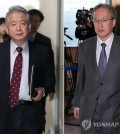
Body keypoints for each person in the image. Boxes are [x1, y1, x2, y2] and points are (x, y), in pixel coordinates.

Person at [0, 5, 54, 134]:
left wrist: (44, 89)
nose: (18, 28)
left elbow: (50, 77)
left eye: (22, 23)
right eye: (13, 24)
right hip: (4, 113)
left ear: (29, 27)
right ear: (7, 29)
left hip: (32, 113)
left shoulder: (42, 50)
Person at [73, 3, 120, 134]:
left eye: (104, 20)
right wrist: (76, 103)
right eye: (96, 20)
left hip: (114, 112)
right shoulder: (85, 47)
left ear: (113, 22)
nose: (100, 25)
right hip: (88, 112)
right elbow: (81, 77)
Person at [28, 9, 55, 101]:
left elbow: (50, 66)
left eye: (37, 21)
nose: (33, 23)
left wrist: (51, 88)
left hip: (39, 86)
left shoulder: (45, 41)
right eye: (31, 19)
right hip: (19, 87)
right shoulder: (16, 38)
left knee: (39, 114)